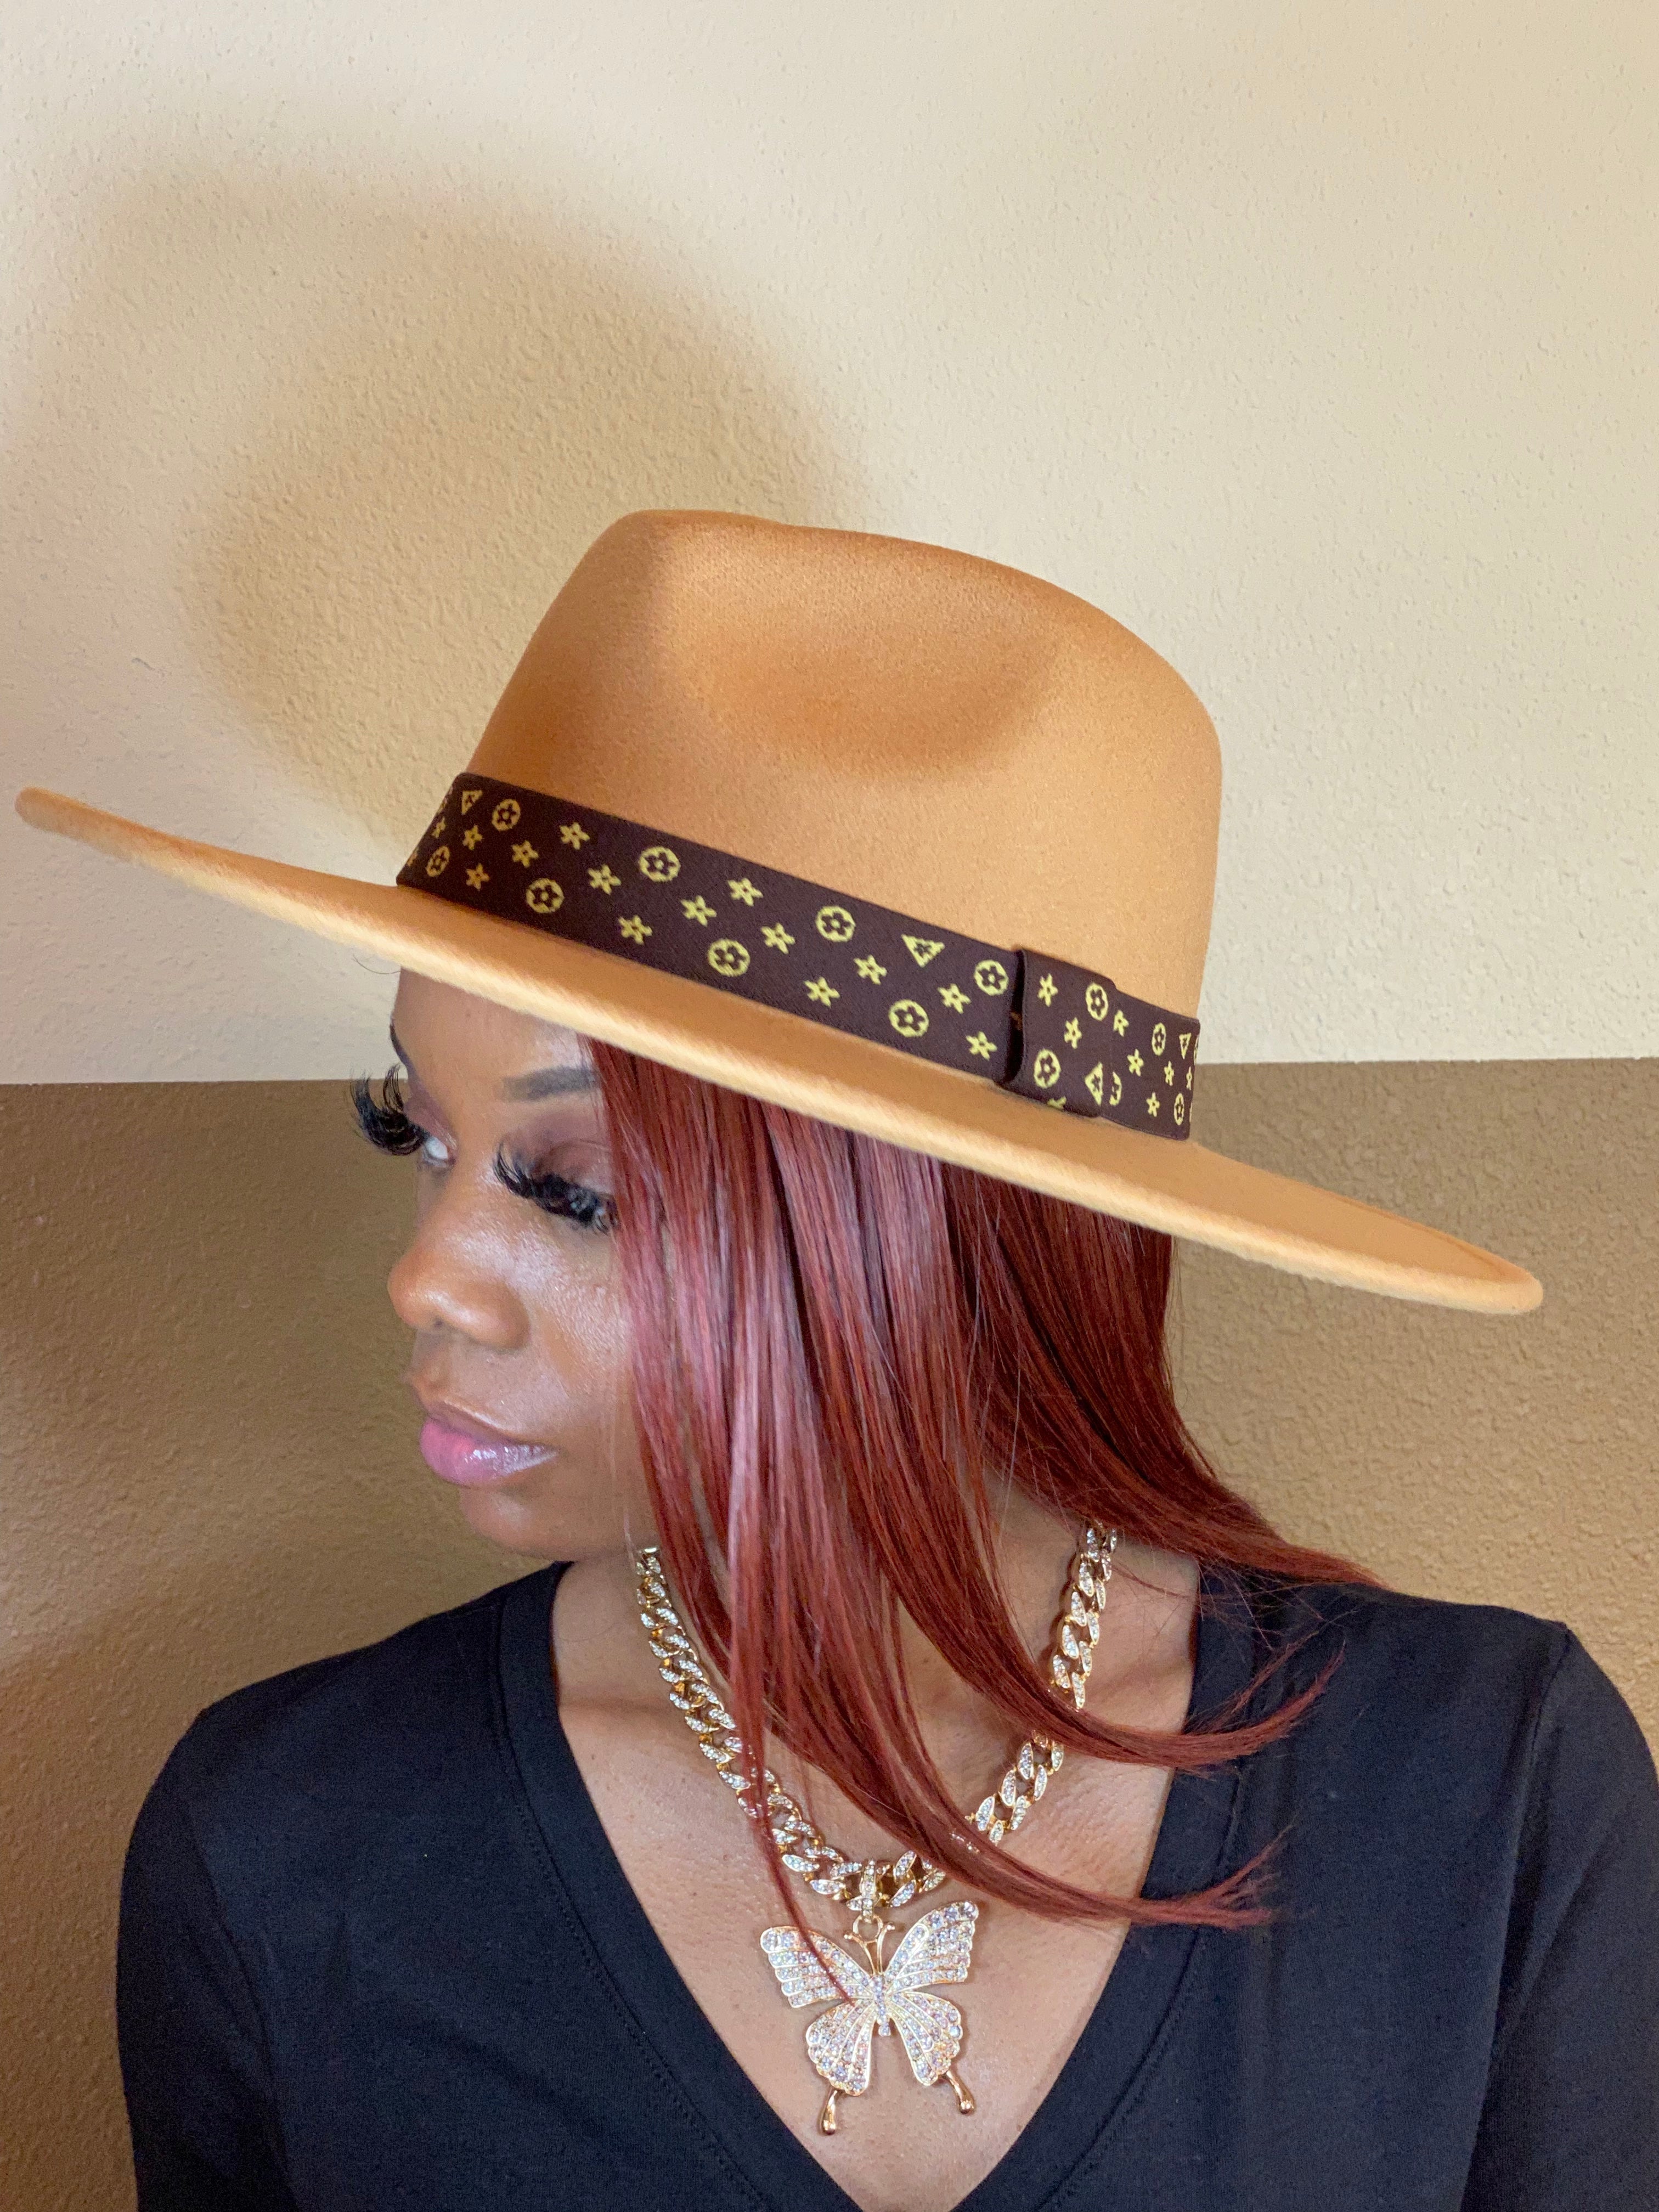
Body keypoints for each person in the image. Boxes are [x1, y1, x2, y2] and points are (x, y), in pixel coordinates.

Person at [16, 511, 1657, 2210]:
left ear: (940, 1238)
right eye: (415, 1134)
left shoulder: (1487, 1796)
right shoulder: (287, 1847)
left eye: (577, 1190)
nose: (427, 1279)